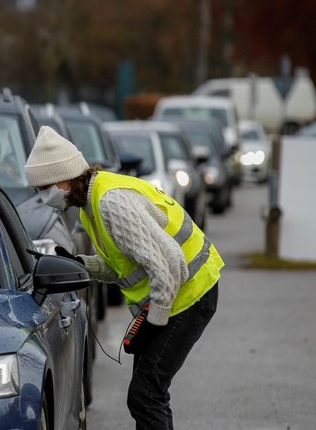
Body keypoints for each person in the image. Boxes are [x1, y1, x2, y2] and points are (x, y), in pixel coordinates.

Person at [24, 125, 223, 429]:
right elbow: (122, 267)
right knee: (145, 396)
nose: (43, 197)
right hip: (176, 295)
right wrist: (78, 264)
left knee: (145, 395)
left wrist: (154, 322)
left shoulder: (110, 203)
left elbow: (170, 262)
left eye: (44, 188)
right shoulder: (90, 205)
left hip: (190, 294)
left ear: (65, 177)